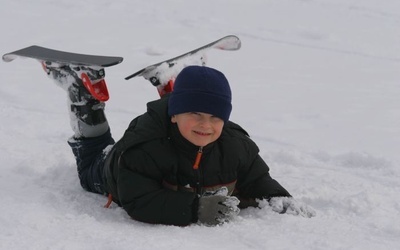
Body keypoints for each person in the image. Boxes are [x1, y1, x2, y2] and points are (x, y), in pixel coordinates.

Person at [43, 63, 315, 226]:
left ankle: (169, 81)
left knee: (195, 126)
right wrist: (196, 209)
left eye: (215, 117)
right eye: (195, 114)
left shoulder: (235, 145)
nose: (206, 125)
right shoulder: (145, 148)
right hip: (112, 168)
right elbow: (139, 201)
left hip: (173, 146)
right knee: (92, 158)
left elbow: (257, 178)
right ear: (174, 115)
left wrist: (279, 199)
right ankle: (81, 90)